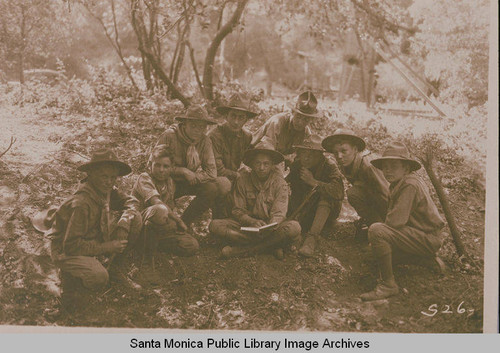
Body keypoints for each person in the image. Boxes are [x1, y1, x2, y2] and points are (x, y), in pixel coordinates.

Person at [48, 148, 142, 299]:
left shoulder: (107, 190)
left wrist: (123, 224)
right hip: (65, 250)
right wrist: (106, 247)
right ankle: (71, 277)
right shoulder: (82, 203)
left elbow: (131, 202)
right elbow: (70, 245)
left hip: (91, 237)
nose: (109, 182)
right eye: (104, 176)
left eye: (113, 177)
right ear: (90, 174)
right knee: (99, 278)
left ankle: (115, 268)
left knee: (135, 218)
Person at [360, 141, 445, 301]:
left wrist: (382, 230)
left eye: (394, 166)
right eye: (385, 166)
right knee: (372, 256)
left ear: (406, 168)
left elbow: (395, 222)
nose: (388, 170)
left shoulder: (409, 185)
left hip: (427, 238)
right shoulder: (400, 182)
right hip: (418, 234)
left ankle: (388, 285)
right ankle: (425, 261)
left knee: (377, 231)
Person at [208, 141, 301, 259]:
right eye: (258, 163)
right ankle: (270, 247)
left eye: (266, 164)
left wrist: (268, 227)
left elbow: (279, 214)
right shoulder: (243, 180)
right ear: (252, 164)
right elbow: (238, 211)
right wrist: (251, 222)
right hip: (246, 228)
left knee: (294, 227)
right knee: (215, 225)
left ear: (273, 165)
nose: (262, 168)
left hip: (271, 229)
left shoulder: (280, 184)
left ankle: (243, 250)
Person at [155, 104, 229, 226]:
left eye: (201, 127)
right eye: (193, 125)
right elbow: (154, 166)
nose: (197, 130)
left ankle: (185, 223)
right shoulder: (169, 136)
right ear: (185, 124)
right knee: (164, 218)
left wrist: (194, 176)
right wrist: (182, 171)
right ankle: (167, 225)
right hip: (167, 180)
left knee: (214, 187)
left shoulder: (204, 141)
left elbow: (212, 172)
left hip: (188, 181)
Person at [132, 145, 199, 260]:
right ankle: (143, 252)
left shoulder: (169, 182)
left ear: (171, 168)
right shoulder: (144, 178)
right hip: (139, 226)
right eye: (157, 165)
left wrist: (174, 226)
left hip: (159, 227)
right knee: (160, 210)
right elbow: (156, 202)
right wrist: (178, 221)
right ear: (150, 164)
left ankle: (154, 245)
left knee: (192, 245)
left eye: (166, 166)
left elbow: (170, 207)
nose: (161, 170)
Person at [322, 128, 389, 240]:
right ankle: (374, 225)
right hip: (375, 199)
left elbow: (388, 195)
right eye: (335, 152)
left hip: (391, 204)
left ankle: (384, 232)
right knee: (353, 193)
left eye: (344, 151)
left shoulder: (369, 166)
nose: (339, 156)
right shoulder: (346, 164)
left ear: (355, 149)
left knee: (355, 194)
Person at [287, 135, 344, 257]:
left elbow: (338, 192)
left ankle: (311, 239)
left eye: (312, 154)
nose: (307, 158)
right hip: (304, 209)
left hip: (325, 212)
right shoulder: (297, 165)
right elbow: (287, 183)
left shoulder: (329, 166)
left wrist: (314, 182)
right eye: (304, 153)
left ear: (320, 156)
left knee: (326, 197)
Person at [209, 93, 258, 218]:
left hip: (233, 176)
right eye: (233, 116)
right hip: (212, 177)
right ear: (226, 116)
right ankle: (218, 220)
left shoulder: (246, 136)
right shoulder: (215, 135)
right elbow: (217, 170)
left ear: (246, 119)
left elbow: (249, 159)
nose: (236, 122)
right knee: (223, 184)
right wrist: (237, 175)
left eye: (241, 117)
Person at [251, 90, 322, 166]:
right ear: (292, 112)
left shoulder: (306, 132)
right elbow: (267, 150)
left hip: (276, 159)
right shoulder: (277, 122)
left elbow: (305, 154)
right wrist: (285, 158)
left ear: (311, 120)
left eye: (306, 119)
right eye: (298, 117)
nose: (300, 122)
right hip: (256, 155)